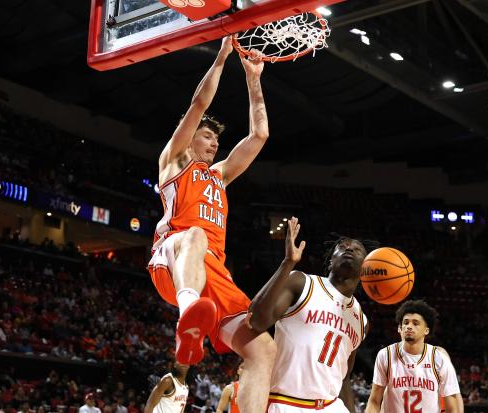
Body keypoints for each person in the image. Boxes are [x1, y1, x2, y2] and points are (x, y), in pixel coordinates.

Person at [147, 35, 275, 413]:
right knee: (196, 234)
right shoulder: (173, 161)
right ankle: (190, 310)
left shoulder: (218, 177)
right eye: (207, 135)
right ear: (188, 139)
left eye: (217, 138)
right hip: (173, 259)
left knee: (262, 348)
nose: (214, 143)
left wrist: (254, 78)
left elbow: (260, 135)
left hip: (214, 275)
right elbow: (199, 103)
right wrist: (221, 57)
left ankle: (194, 328)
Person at [246, 218, 369, 413]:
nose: (349, 249)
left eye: (357, 249)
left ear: (365, 267)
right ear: (331, 260)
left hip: (331, 406)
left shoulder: (361, 319)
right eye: (342, 247)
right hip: (287, 403)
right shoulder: (303, 283)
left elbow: (344, 376)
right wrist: (287, 264)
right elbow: (255, 321)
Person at [364, 300, 464, 413]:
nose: (409, 327)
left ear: (426, 330)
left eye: (415, 323)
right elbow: (374, 401)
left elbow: (452, 408)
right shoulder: (385, 355)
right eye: (406, 323)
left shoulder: (439, 358)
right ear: (399, 328)